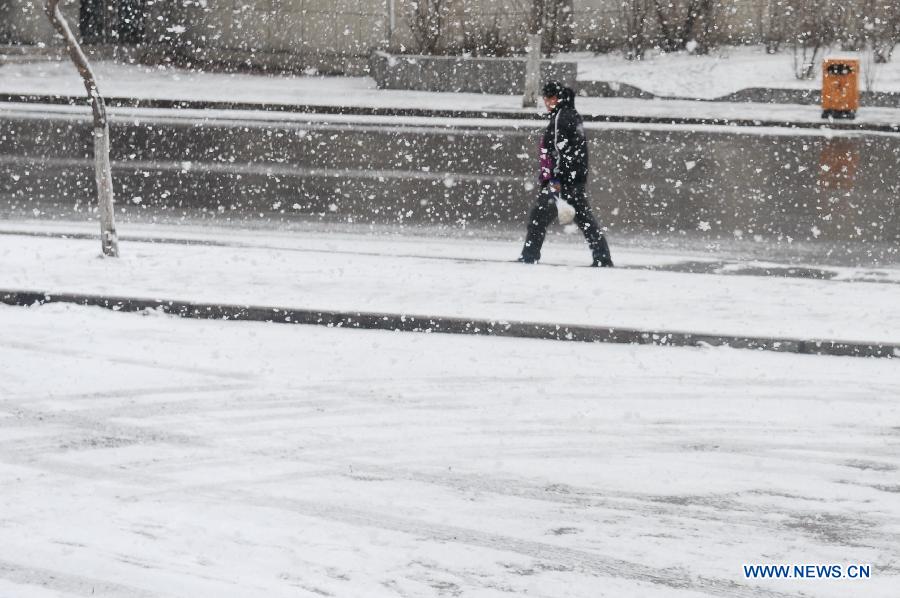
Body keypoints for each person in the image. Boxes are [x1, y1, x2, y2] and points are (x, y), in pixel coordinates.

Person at [518, 80, 613, 267]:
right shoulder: (572, 115)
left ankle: (529, 256)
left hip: (561, 181)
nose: (546, 102)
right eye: (545, 98)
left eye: (549, 98)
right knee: (586, 221)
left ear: (557, 98)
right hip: (573, 180)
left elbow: (558, 151)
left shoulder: (560, 117)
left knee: (538, 218)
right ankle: (602, 257)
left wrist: (554, 179)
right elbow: (573, 151)